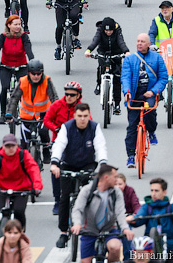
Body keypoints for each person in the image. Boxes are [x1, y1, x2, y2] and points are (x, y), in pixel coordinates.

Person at [50, 103, 107, 248]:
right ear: (75, 116)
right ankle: (63, 232)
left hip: (87, 165)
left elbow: (100, 146)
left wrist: (103, 165)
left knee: (91, 197)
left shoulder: (94, 127)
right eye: (79, 116)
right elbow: (59, 144)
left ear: (89, 116)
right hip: (68, 165)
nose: (82, 119)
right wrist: (54, 163)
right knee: (64, 197)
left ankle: (92, 227)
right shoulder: (67, 127)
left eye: (85, 116)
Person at [0, 134, 43, 233]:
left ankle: (21, 234)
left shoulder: (23, 155)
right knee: (0, 211)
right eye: (7, 146)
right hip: (2, 187)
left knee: (19, 211)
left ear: (17, 145)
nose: (10, 148)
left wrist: (37, 186)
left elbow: (33, 169)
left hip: (21, 188)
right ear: (3, 147)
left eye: (12, 146)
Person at [69, 163, 134, 263]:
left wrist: (125, 228)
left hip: (110, 229)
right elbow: (77, 209)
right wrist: (77, 224)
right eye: (115, 177)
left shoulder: (116, 192)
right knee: (86, 261)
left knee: (115, 248)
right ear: (106, 177)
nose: (116, 180)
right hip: (89, 230)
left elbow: (120, 212)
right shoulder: (87, 190)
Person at [122, 34, 168, 168]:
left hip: (149, 94)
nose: (139, 43)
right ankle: (131, 156)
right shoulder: (130, 59)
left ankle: (151, 131)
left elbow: (163, 78)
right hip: (135, 95)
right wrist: (127, 92)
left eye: (142, 41)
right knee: (132, 126)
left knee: (150, 113)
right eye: (138, 41)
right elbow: (125, 77)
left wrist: (153, 92)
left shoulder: (157, 58)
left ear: (148, 44)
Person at [127, 178, 173, 263]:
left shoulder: (170, 206)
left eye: (156, 191)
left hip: (170, 245)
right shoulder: (147, 207)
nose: (153, 194)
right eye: (152, 190)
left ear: (164, 192)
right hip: (149, 246)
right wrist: (133, 219)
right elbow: (138, 218)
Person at [0, 15, 35, 119]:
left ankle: (25, 113)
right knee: (5, 87)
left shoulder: (24, 36)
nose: (18, 27)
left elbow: (28, 49)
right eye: (15, 24)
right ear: (9, 25)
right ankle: (2, 114)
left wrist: (32, 61)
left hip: (21, 65)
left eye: (19, 24)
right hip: (6, 66)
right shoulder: (3, 36)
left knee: (24, 89)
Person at [6, 59, 57, 150]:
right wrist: (9, 114)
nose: (36, 76)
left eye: (39, 73)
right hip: (26, 116)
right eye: (33, 74)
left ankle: (46, 151)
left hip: (43, 115)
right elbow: (14, 98)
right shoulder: (23, 81)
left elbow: (54, 98)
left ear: (42, 73)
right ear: (29, 73)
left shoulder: (47, 81)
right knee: (24, 143)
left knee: (43, 132)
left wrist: (57, 112)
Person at [85, 18, 129, 114]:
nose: (108, 32)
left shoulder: (117, 31)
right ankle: (99, 84)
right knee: (101, 67)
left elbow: (121, 42)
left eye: (110, 30)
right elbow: (95, 41)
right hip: (103, 52)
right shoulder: (100, 30)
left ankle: (117, 104)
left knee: (117, 79)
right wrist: (89, 50)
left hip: (116, 53)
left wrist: (126, 51)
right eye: (106, 30)